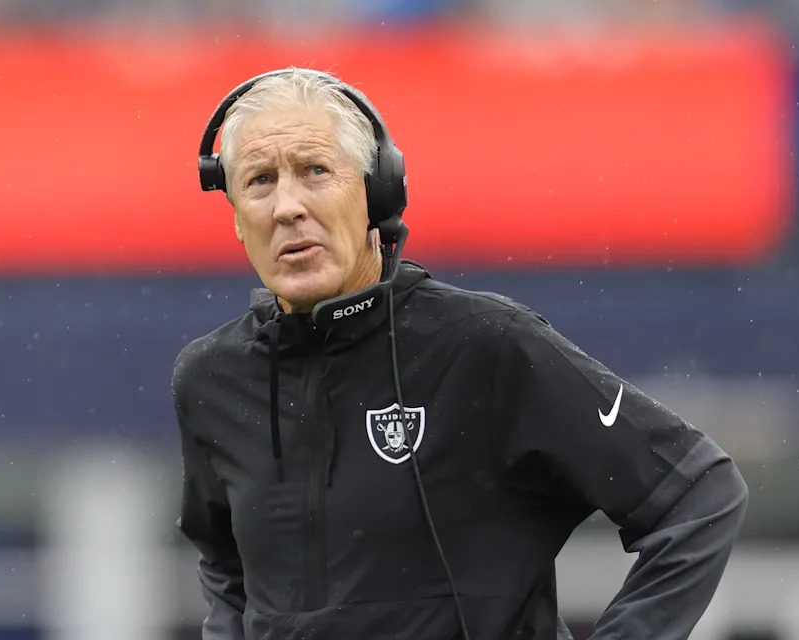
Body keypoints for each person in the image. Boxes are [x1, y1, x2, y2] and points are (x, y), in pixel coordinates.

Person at [172, 67, 748, 640]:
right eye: (259, 181)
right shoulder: (210, 378)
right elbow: (226, 570)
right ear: (237, 217)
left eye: (315, 171)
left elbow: (698, 494)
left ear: (377, 192)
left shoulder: (487, 345)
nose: (287, 206)